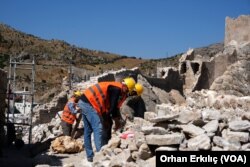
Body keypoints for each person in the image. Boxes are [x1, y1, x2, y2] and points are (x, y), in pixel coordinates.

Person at [77, 77, 136, 162]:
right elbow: (112, 107)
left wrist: (110, 119)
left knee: (88, 130)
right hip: (89, 103)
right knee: (98, 127)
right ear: (125, 86)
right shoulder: (116, 89)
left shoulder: (115, 87)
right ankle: (99, 155)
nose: (126, 93)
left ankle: (90, 157)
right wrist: (109, 120)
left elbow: (111, 107)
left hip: (84, 101)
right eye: (127, 90)